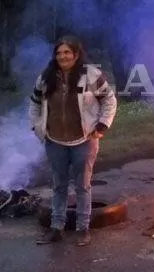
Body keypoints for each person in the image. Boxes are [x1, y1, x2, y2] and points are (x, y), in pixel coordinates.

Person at [30, 35, 118, 246]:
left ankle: (82, 229)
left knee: (82, 186)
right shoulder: (45, 77)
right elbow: (34, 104)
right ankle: (56, 228)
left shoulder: (91, 75)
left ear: (76, 54)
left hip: (84, 141)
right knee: (59, 186)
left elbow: (109, 99)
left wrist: (103, 125)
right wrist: (37, 126)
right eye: (59, 53)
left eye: (67, 52)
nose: (63, 56)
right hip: (55, 141)